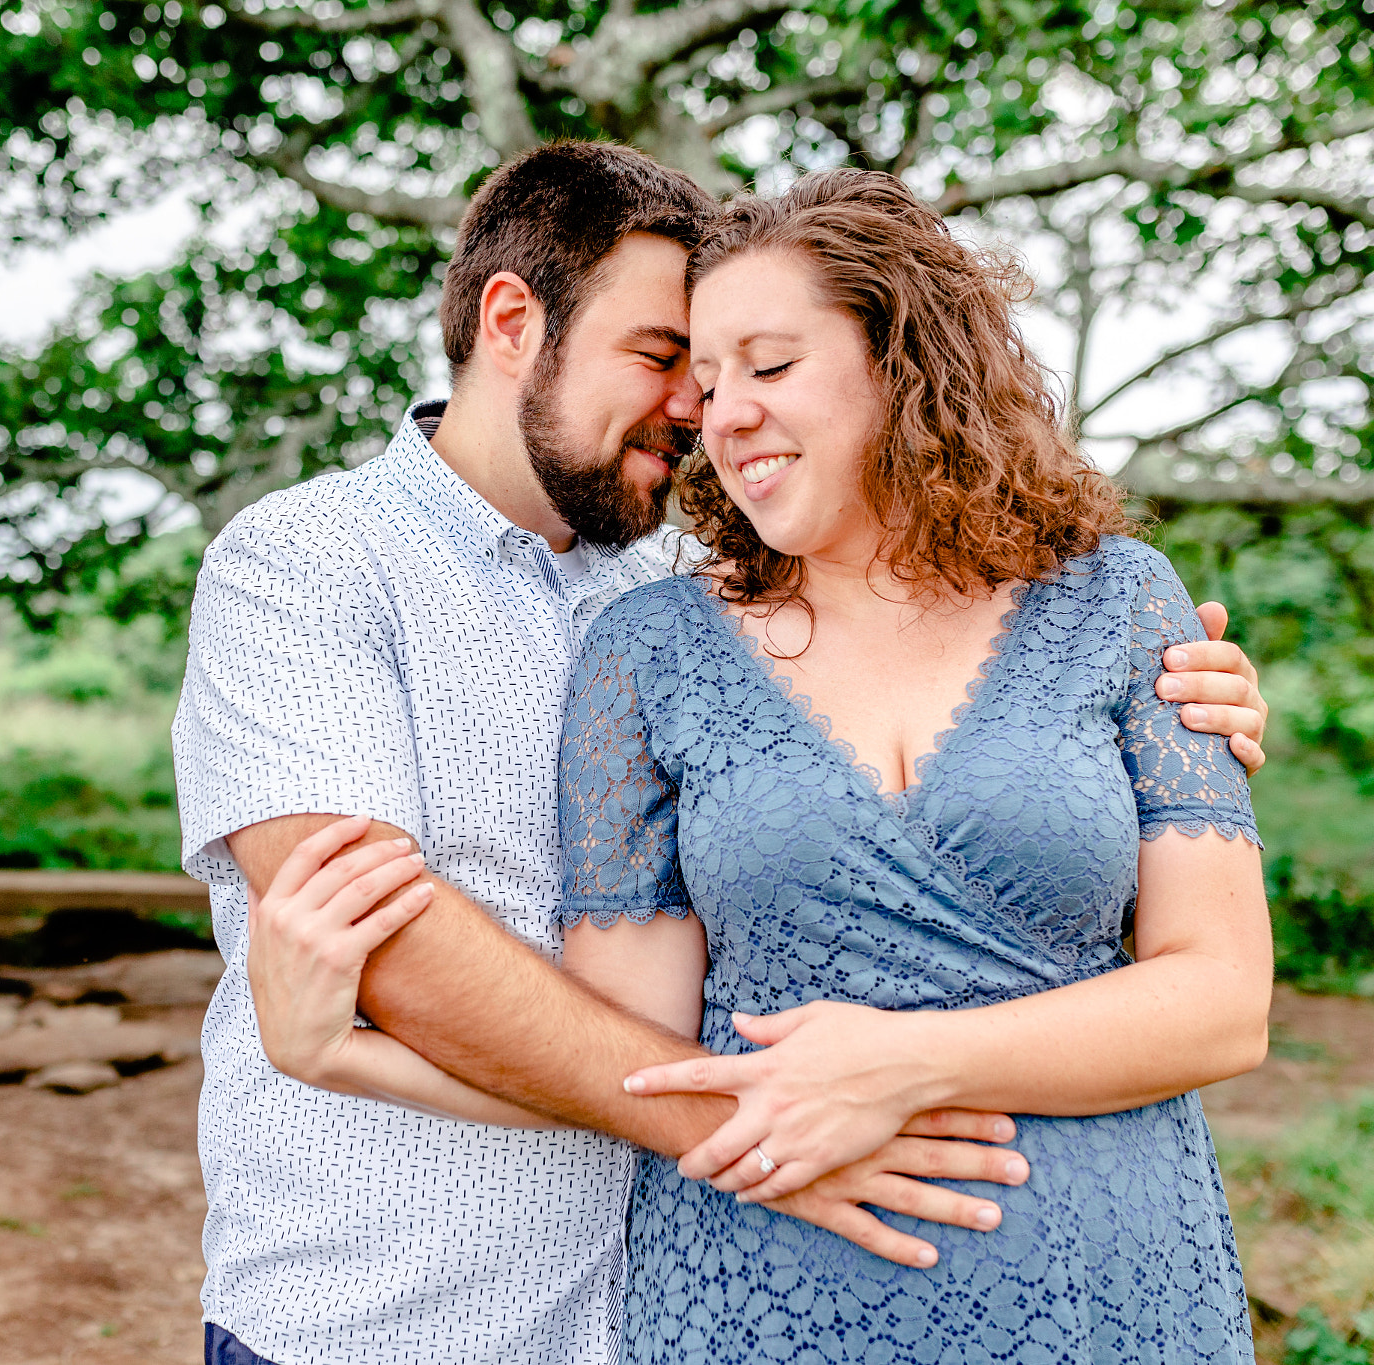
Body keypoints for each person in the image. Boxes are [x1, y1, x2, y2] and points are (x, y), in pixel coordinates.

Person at [176, 143, 1271, 1365]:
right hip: (401, 1307)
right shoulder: (309, 566)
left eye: (740, 366)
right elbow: (381, 938)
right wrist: (767, 1124)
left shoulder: (689, 579)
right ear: (509, 322)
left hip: (683, 1278)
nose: (697, 411)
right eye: (667, 360)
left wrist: (1172, 711)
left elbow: (1201, 969)